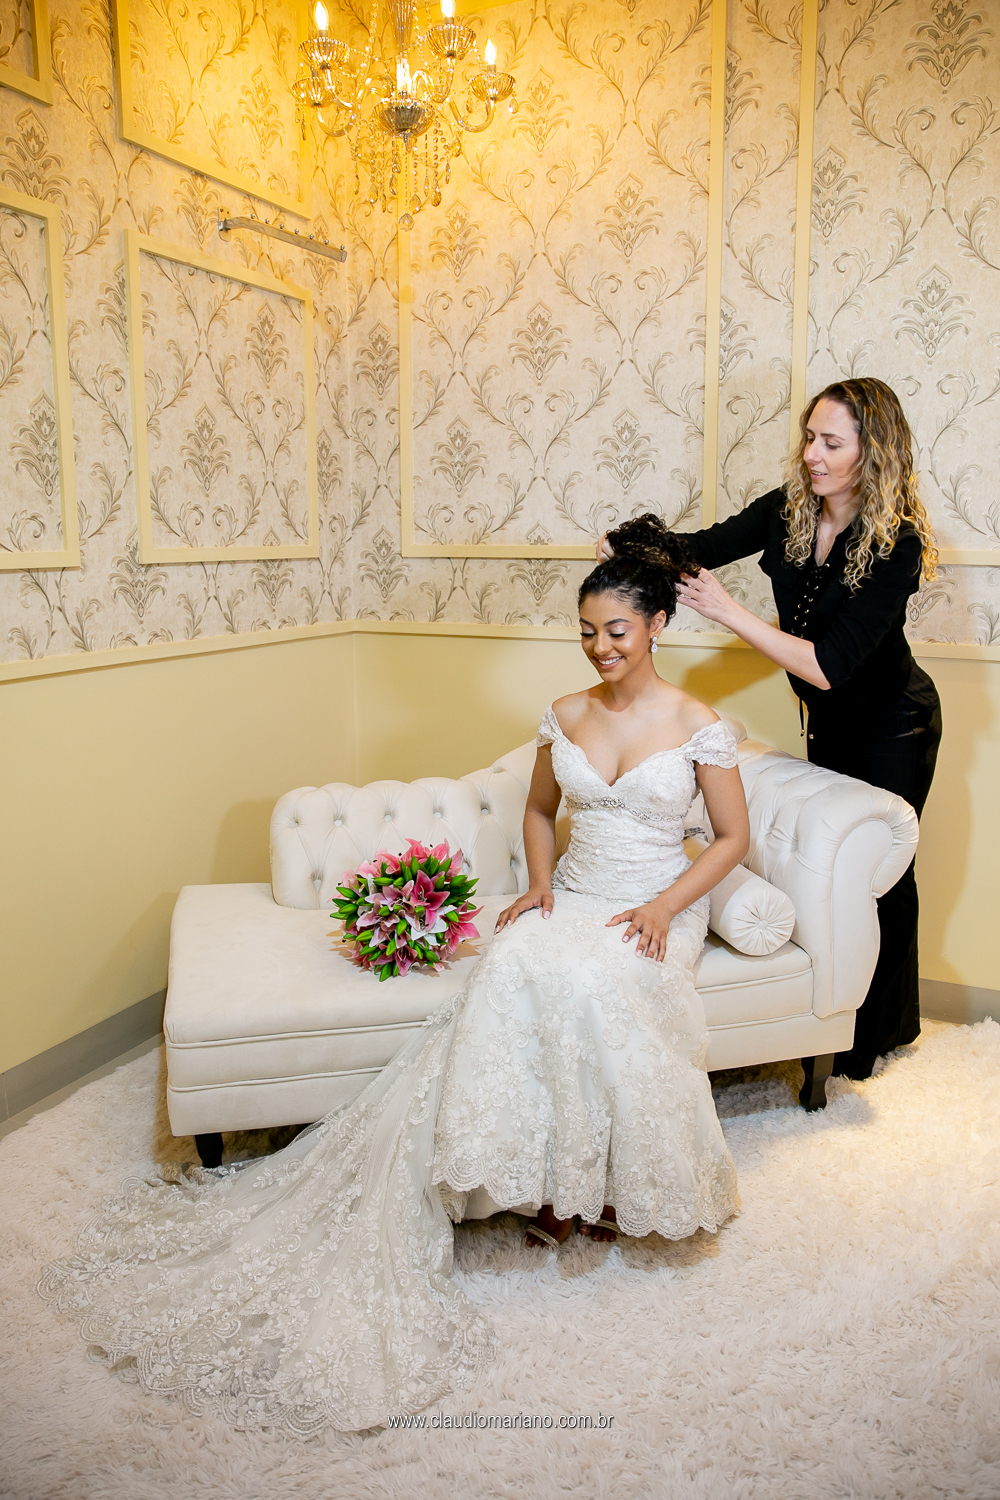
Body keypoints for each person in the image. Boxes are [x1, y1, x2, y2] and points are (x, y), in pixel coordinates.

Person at [40, 528, 748, 1435]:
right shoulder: (566, 712)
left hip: (654, 903)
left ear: (655, 626)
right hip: (574, 894)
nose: (599, 647)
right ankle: (535, 1181)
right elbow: (539, 811)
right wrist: (538, 885)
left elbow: (732, 838)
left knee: (596, 985)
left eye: (616, 630)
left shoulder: (697, 724)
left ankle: (600, 1190)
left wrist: (662, 907)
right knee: (516, 965)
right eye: (585, 631)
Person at [599, 377, 940, 1081]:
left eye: (831, 443)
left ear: (872, 452)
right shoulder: (788, 509)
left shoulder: (897, 544)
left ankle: (872, 1035)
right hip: (831, 723)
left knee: (880, 871)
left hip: (895, 725)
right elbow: (699, 546)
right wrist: (629, 549)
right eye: (810, 438)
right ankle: (837, 1020)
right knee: (839, 868)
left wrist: (728, 612)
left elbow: (828, 666)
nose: (812, 455)